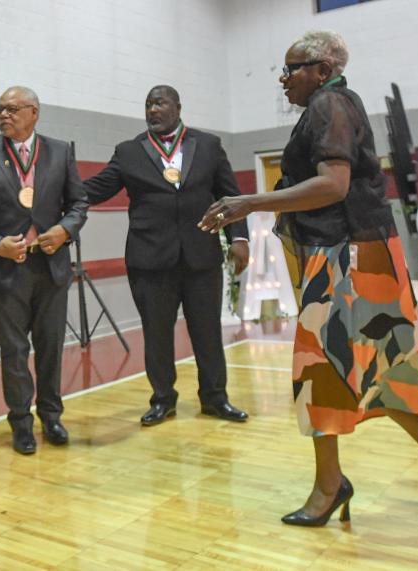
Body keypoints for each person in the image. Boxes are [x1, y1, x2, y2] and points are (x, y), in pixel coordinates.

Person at [199, 30, 418, 526]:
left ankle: (330, 487)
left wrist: (247, 202)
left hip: (347, 256)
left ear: (320, 67)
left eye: (291, 69)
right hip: (366, 252)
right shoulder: (339, 103)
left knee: (321, 370)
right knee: (381, 370)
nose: (283, 78)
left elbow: (333, 185)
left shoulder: (329, 104)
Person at [84, 85, 250, 427]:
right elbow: (96, 189)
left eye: (159, 103)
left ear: (177, 106)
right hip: (149, 261)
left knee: (207, 332)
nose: (153, 110)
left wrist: (239, 237)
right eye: (148, 104)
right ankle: (163, 400)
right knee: (156, 334)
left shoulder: (208, 145)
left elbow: (230, 195)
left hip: (201, 257)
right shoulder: (128, 151)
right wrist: (54, 185)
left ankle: (215, 399)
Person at [0, 86, 88, 455]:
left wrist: (65, 231)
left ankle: (52, 416)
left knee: (50, 347)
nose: (3, 115)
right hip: (4, 268)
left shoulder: (60, 152)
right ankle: (21, 423)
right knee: (14, 350)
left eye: (12, 109)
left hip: (51, 265)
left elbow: (78, 202)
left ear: (34, 112)